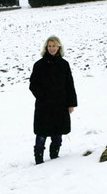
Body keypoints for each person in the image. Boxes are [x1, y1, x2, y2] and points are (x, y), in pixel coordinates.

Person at [29, 35, 77, 165]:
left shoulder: (64, 64)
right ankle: (38, 160)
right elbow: (33, 84)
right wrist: (42, 96)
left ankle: (54, 158)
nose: (52, 48)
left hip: (60, 105)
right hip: (44, 105)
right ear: (46, 47)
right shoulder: (39, 65)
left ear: (58, 47)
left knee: (58, 133)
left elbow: (69, 84)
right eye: (49, 46)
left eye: (54, 46)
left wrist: (71, 103)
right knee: (41, 134)